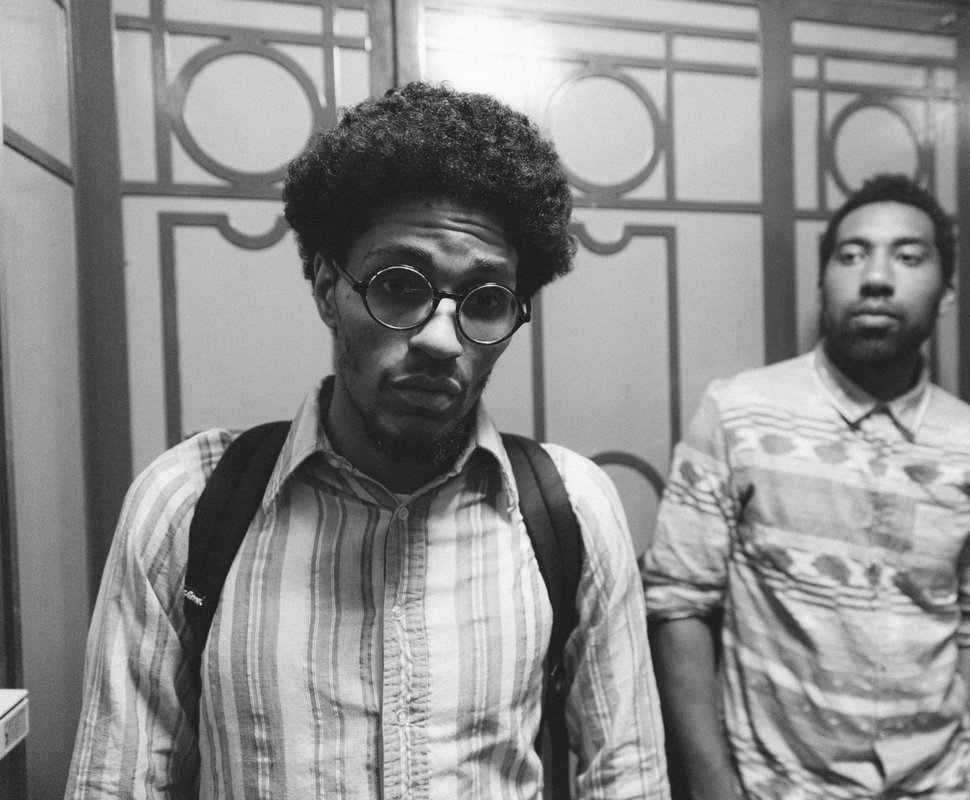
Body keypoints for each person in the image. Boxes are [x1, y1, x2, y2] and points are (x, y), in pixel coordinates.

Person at [66, 81, 668, 800]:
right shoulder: (186, 505)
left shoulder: (573, 510)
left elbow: (628, 778)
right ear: (328, 286)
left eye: (485, 300)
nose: (442, 340)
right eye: (400, 285)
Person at [641, 173, 970, 800]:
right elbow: (678, 603)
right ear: (822, 286)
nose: (876, 277)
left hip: (942, 783)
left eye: (908, 256)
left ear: (947, 293)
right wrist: (714, 788)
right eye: (851, 255)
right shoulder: (738, 415)